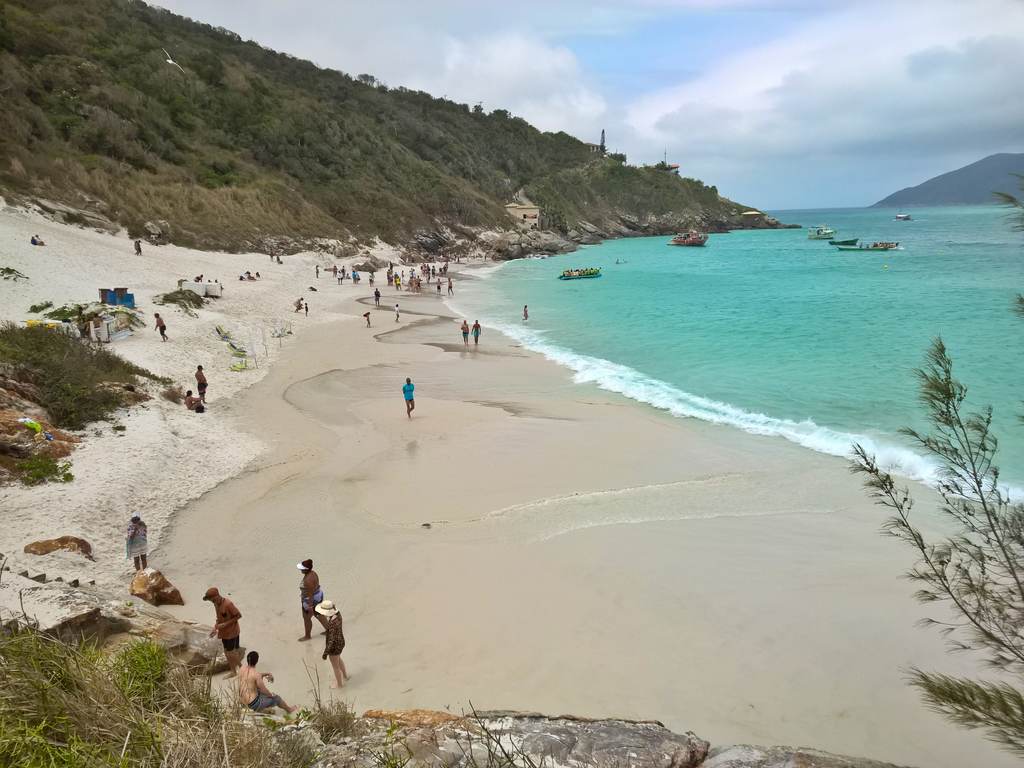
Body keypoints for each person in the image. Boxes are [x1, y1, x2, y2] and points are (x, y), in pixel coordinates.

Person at [204, 587, 242, 677]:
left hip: (232, 632)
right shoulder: (216, 604)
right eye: (210, 600)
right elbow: (219, 618)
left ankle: (242, 669)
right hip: (224, 633)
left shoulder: (228, 604)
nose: (211, 602)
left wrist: (225, 624)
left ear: (216, 596)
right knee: (227, 652)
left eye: (212, 600)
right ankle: (234, 671)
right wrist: (215, 628)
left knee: (231, 652)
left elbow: (238, 615)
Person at [297, 558, 327, 641]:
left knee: (306, 618)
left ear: (306, 570)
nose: (300, 570)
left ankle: (307, 636)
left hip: (311, 600)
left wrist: (310, 607)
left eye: (302, 569)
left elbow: (310, 594)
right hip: (319, 595)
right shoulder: (313, 573)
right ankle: (329, 630)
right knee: (319, 615)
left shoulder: (307, 580)